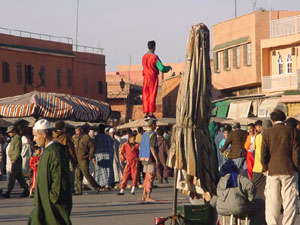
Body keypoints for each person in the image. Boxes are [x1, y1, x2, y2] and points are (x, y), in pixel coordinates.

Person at [28, 119, 72, 225]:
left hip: (52, 205)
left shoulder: (55, 152)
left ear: (43, 135)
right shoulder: (48, 151)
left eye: (35, 135)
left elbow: (59, 178)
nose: (34, 139)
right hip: (44, 202)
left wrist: (53, 200)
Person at [261, 110, 299, 225]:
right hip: (288, 170)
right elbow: (296, 153)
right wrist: (296, 167)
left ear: (272, 121)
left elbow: (263, 154)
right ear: (285, 119)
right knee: (290, 201)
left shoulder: (267, 132)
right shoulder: (292, 131)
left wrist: (265, 167)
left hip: (272, 170)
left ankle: (272, 223)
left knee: (272, 201)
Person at [216, 160, 265, 225]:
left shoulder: (221, 180)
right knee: (261, 203)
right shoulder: (238, 177)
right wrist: (250, 199)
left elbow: (218, 193)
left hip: (221, 208)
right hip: (238, 207)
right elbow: (251, 186)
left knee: (231, 208)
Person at [142, 40, 172, 120]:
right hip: (152, 77)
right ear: (154, 47)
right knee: (152, 94)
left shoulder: (144, 57)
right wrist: (168, 68)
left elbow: (143, 67)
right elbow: (161, 68)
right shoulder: (154, 57)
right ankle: (151, 113)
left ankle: (146, 113)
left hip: (145, 77)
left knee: (146, 95)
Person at [2, 125, 29, 198]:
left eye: (10, 132)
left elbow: (17, 151)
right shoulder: (14, 138)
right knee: (19, 177)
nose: (9, 134)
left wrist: (13, 160)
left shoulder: (16, 139)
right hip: (14, 160)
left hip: (15, 161)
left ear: (14, 131)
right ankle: (26, 190)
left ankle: (8, 192)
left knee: (12, 176)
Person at [73, 126, 100, 195]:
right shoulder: (75, 137)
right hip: (77, 158)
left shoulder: (86, 137)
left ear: (81, 130)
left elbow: (92, 147)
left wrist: (90, 155)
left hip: (84, 158)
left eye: (78, 131)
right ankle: (79, 191)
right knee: (78, 174)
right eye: (76, 131)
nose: (77, 132)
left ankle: (96, 187)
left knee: (86, 173)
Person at [53, 121, 77, 192]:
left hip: (53, 158)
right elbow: (71, 150)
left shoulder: (51, 136)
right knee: (68, 174)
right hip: (64, 159)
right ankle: (70, 188)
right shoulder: (65, 137)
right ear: (63, 128)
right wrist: (74, 161)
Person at [139, 119, 159, 201]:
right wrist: (156, 158)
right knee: (150, 177)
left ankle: (144, 194)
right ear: (153, 125)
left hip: (144, 157)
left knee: (147, 177)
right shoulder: (152, 134)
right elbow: (152, 147)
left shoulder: (144, 134)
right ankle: (148, 195)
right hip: (150, 158)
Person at [252, 119, 271, 201]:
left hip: (258, 167)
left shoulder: (258, 137)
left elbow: (253, 148)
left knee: (256, 188)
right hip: (269, 167)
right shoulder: (271, 137)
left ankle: (256, 204)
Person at [94, 124, 114, 189]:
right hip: (108, 155)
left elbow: (94, 146)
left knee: (100, 170)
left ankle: (100, 184)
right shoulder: (108, 137)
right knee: (108, 170)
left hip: (99, 155)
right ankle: (108, 184)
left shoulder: (97, 137)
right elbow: (111, 146)